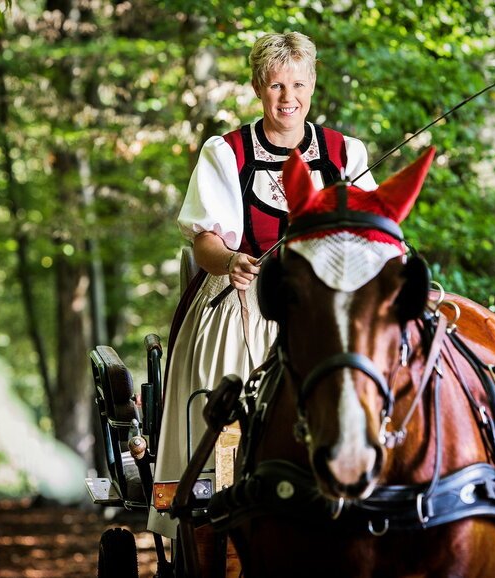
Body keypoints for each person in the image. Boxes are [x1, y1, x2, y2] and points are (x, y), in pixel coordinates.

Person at [148, 31, 377, 538]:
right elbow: (204, 244)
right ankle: (218, 510)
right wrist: (231, 260)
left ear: (313, 84)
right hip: (246, 302)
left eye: (298, 84)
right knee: (237, 380)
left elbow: (371, 238)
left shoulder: (346, 154)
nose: (288, 97)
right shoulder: (225, 153)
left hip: (325, 305)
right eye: (276, 86)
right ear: (257, 86)